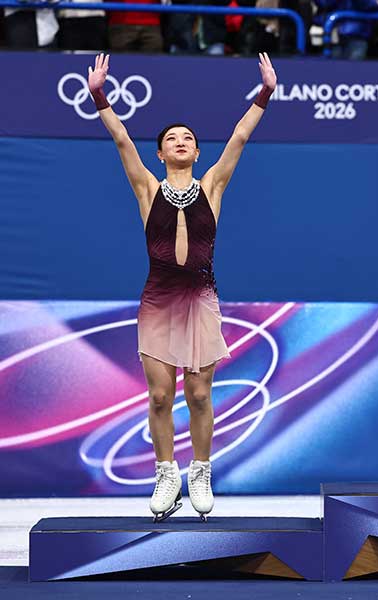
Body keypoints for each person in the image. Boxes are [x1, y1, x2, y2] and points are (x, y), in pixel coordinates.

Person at [86, 52, 277, 521]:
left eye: (188, 138)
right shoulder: (147, 189)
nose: (180, 142)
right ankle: (165, 472)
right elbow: (122, 140)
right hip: (158, 300)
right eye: (171, 138)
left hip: (201, 299)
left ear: (196, 152)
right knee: (158, 395)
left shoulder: (212, 186)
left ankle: (200, 471)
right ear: (161, 153)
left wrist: (266, 93)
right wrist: (99, 96)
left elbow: (239, 137)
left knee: (198, 394)